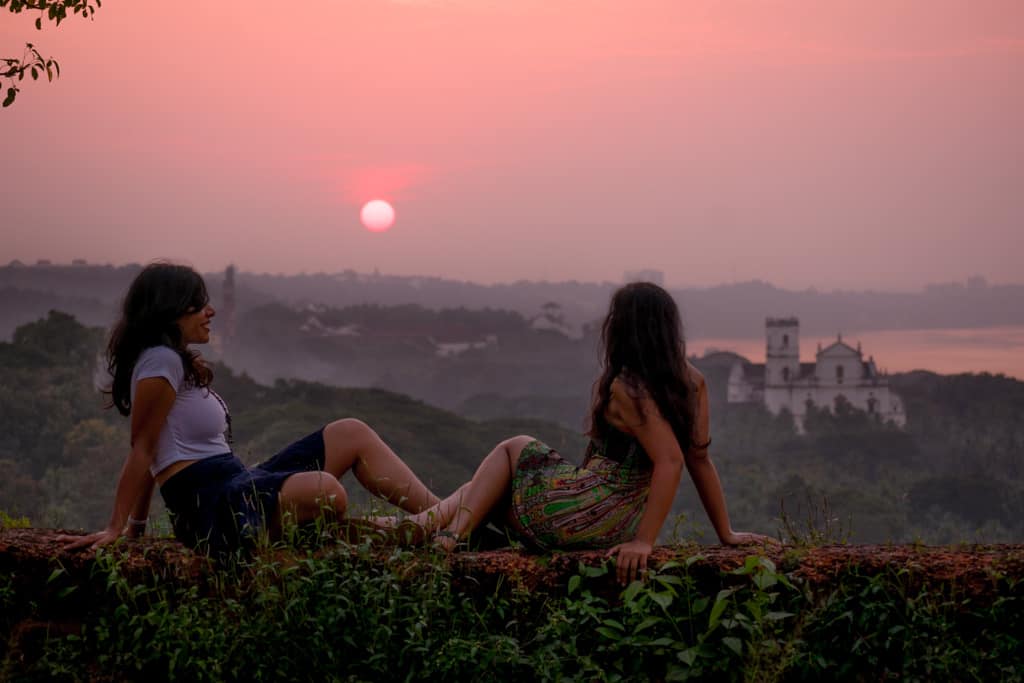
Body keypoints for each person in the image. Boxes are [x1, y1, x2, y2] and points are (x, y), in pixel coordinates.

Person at [391, 282, 772, 584]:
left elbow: (670, 460)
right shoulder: (693, 383)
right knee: (474, 493)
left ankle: (447, 540)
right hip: (619, 521)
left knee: (514, 447)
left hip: (588, 514)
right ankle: (402, 530)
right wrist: (726, 532)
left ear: (622, 329)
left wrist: (644, 543)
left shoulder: (627, 386)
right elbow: (698, 459)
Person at [59, 262, 439, 556]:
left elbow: (149, 446)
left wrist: (136, 528)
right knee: (327, 492)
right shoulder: (161, 361)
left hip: (237, 482)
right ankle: (438, 523)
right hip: (209, 505)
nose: (209, 311)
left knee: (350, 432)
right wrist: (121, 527)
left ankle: (444, 517)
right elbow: (143, 448)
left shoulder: (171, 361)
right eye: (198, 303)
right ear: (170, 310)